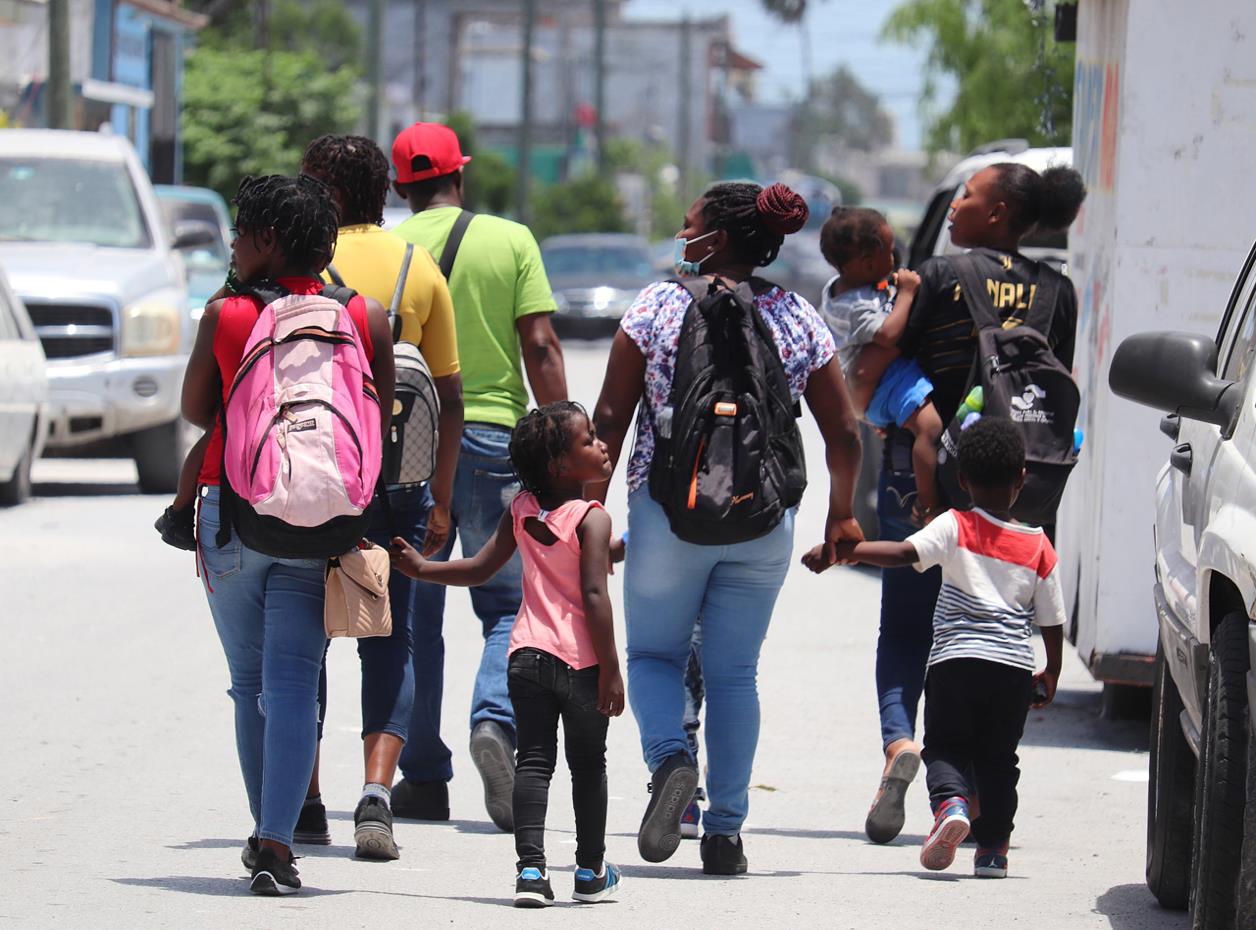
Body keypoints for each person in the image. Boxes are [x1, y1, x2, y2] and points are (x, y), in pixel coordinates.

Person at [591, 181, 864, 875]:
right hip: (764, 518)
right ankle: (726, 834)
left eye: (688, 226)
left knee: (655, 656)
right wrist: (842, 515)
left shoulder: (655, 306)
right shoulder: (796, 315)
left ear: (715, 238)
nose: (681, 237)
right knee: (735, 672)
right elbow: (846, 431)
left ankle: (672, 762)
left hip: (667, 516)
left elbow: (608, 423)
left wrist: (587, 513)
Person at [851, 162, 1086, 846]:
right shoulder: (1057, 290)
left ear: (1001, 211)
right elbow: (1055, 388)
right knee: (990, 633)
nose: (954, 206)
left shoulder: (944, 275)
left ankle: (901, 745)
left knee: (906, 626)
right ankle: (973, 797)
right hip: (1014, 486)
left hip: (923, 476)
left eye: (968, 197)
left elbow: (895, 354)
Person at [180, 174, 395, 895]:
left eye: (241, 232)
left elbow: (194, 409)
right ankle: (276, 840)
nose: (234, 244)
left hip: (235, 513)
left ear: (267, 241)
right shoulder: (363, 315)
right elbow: (376, 420)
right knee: (295, 684)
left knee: (250, 687)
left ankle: (268, 832)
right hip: (321, 522)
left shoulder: (230, 314)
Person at [284, 134, 464, 860]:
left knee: (305, 640)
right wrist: (442, 497)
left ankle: (305, 797)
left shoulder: (296, 265)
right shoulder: (417, 270)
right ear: (382, 188)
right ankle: (377, 795)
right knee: (393, 639)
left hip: (308, 482)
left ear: (320, 190)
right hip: (396, 483)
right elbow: (449, 396)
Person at [388, 122, 568, 830]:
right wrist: (563, 451)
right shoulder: (511, 239)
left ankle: (424, 775)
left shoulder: (390, 249)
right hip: (495, 436)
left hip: (410, 443)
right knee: (504, 607)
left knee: (411, 615)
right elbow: (542, 343)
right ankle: (493, 720)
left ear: (403, 188)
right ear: (460, 176)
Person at [803, 416, 1064, 878]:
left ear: (961, 480)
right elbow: (1052, 619)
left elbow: (904, 553)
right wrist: (1051, 673)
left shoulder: (956, 525)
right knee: (1000, 761)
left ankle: (951, 807)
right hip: (1011, 671)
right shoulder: (1039, 545)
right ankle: (994, 851)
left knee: (944, 748)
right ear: (1022, 478)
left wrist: (845, 552)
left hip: (955, 663)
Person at [389, 402, 625, 907]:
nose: (601, 445)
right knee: (588, 765)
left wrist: (421, 569)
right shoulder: (592, 517)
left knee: (535, 763)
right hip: (582, 662)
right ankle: (589, 870)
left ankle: (532, 873)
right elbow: (594, 596)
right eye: (588, 440)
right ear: (561, 466)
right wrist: (611, 670)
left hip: (526, 657)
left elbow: (477, 568)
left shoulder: (521, 510)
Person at [818, 207, 942, 524]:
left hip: (873, 389)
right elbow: (887, 335)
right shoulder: (855, 305)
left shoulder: (841, 286)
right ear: (867, 263)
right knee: (930, 428)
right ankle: (928, 505)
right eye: (888, 251)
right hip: (885, 382)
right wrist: (908, 293)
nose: (894, 258)